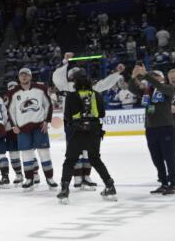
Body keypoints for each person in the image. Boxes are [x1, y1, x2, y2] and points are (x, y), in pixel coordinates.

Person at [52, 54, 125, 188]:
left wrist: (116, 73)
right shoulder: (66, 86)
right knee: (81, 153)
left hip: (76, 124)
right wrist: (65, 62)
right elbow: (56, 77)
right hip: (78, 124)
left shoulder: (88, 88)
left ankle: (84, 176)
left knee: (78, 154)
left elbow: (104, 84)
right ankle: (79, 177)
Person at [56, 69, 117, 203]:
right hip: (94, 132)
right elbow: (101, 114)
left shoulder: (71, 96)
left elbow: (67, 116)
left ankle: (65, 190)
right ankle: (110, 186)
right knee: (95, 159)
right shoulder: (97, 95)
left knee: (70, 161)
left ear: (75, 82)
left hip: (77, 131)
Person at [129, 64, 175, 195]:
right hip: (150, 129)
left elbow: (161, 87)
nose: (151, 78)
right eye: (150, 76)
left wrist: (146, 75)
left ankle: (173, 184)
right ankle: (163, 182)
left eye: (154, 76)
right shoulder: (147, 91)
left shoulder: (168, 88)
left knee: (169, 157)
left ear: (161, 78)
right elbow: (132, 88)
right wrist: (133, 77)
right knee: (156, 158)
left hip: (165, 127)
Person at [7, 67, 56, 190]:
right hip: (23, 128)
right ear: (18, 77)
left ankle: (50, 179)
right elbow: (10, 110)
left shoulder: (41, 88)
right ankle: (29, 179)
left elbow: (48, 105)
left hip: (39, 126)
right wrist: (14, 125)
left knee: (44, 153)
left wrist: (47, 121)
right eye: (21, 75)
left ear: (30, 76)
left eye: (26, 75)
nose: (24, 77)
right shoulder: (13, 92)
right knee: (26, 154)